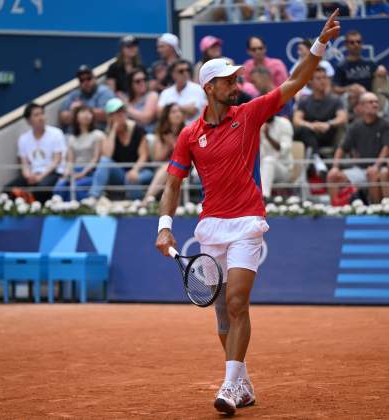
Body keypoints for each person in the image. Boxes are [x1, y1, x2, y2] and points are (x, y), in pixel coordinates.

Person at [155, 10, 340, 416]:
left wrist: (320, 43)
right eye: (227, 81)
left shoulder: (249, 114)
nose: (235, 85)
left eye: (236, 79)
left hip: (247, 223)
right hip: (210, 227)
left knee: (237, 302)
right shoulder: (190, 135)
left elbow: (295, 82)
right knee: (223, 312)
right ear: (209, 87)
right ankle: (243, 383)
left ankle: (227, 385)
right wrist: (165, 227)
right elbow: (172, 183)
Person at [327, 92, 389, 204]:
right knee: (332, 176)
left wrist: (376, 166)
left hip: (381, 168)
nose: (375, 105)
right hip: (359, 169)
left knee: (372, 173)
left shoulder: (386, 125)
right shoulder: (354, 127)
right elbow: (342, 148)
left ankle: (376, 210)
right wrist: (335, 166)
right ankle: (335, 211)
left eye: (376, 102)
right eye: (371, 102)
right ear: (361, 106)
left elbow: (387, 148)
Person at [88, 98, 153, 200]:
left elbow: (144, 155)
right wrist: (113, 129)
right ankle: (93, 197)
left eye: (122, 111)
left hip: (142, 170)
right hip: (121, 173)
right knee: (105, 161)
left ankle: (135, 205)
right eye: (116, 112)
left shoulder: (137, 129)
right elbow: (107, 155)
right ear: (110, 117)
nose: (121, 114)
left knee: (131, 178)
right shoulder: (107, 133)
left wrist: (135, 170)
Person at [5, 103, 66, 202]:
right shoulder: (23, 138)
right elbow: (24, 163)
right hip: (32, 174)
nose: (41, 118)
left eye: (42, 114)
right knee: (8, 189)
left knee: (41, 188)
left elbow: (56, 160)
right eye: (36, 115)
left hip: (51, 173)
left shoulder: (56, 133)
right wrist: (28, 175)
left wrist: (40, 177)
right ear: (28, 121)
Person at [293, 66, 347, 158]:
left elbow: (342, 118)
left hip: (327, 133)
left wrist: (328, 124)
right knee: (304, 130)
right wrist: (311, 126)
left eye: (324, 78)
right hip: (309, 133)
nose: (322, 81)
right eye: (318, 78)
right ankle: (316, 158)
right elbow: (296, 120)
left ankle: (316, 159)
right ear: (310, 82)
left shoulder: (335, 100)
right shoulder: (304, 100)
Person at [54, 106, 103, 201]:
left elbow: (96, 159)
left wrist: (83, 173)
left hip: (90, 172)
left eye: (89, 112)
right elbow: (70, 161)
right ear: (76, 117)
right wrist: (66, 174)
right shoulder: (72, 138)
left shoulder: (97, 135)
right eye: (83, 112)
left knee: (75, 187)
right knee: (59, 186)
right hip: (75, 171)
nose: (87, 115)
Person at [333, 30, 389, 110]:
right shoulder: (341, 66)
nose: (356, 45)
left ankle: (380, 110)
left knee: (382, 76)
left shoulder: (370, 63)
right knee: (354, 93)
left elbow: (382, 76)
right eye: (352, 42)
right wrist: (350, 88)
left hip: (371, 99)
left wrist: (382, 69)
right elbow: (335, 89)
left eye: (358, 42)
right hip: (353, 102)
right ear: (346, 45)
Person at [143, 104, 186, 203]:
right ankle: (149, 201)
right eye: (174, 112)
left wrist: (173, 144)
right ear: (167, 116)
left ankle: (146, 200)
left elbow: (186, 157)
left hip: (185, 168)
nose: (178, 114)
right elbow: (158, 157)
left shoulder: (187, 131)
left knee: (170, 168)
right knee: (168, 168)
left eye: (180, 111)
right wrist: (167, 146)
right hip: (164, 169)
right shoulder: (161, 133)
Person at [59, 65, 115, 130]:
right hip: (76, 136)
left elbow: (108, 115)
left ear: (95, 78)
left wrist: (81, 109)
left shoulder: (104, 92)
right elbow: (62, 117)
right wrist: (82, 115)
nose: (86, 82)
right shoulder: (74, 94)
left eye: (88, 78)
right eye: (82, 80)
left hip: (98, 133)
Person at [157, 60, 207, 124]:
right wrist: (184, 108)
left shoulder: (198, 89)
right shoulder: (166, 92)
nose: (185, 73)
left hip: (193, 129)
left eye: (187, 70)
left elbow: (192, 110)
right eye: (181, 71)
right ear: (173, 74)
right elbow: (159, 113)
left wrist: (170, 110)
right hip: (171, 130)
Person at [260, 114, 294, 200]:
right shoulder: (258, 124)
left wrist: (268, 136)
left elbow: (284, 149)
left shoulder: (284, 123)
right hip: (261, 169)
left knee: (269, 160)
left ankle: (264, 197)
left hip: (284, 169)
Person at [125, 68, 159, 133]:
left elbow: (146, 118)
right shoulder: (128, 100)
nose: (142, 83)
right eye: (138, 81)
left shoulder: (152, 95)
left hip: (149, 135)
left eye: (144, 80)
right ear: (130, 84)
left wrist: (126, 108)